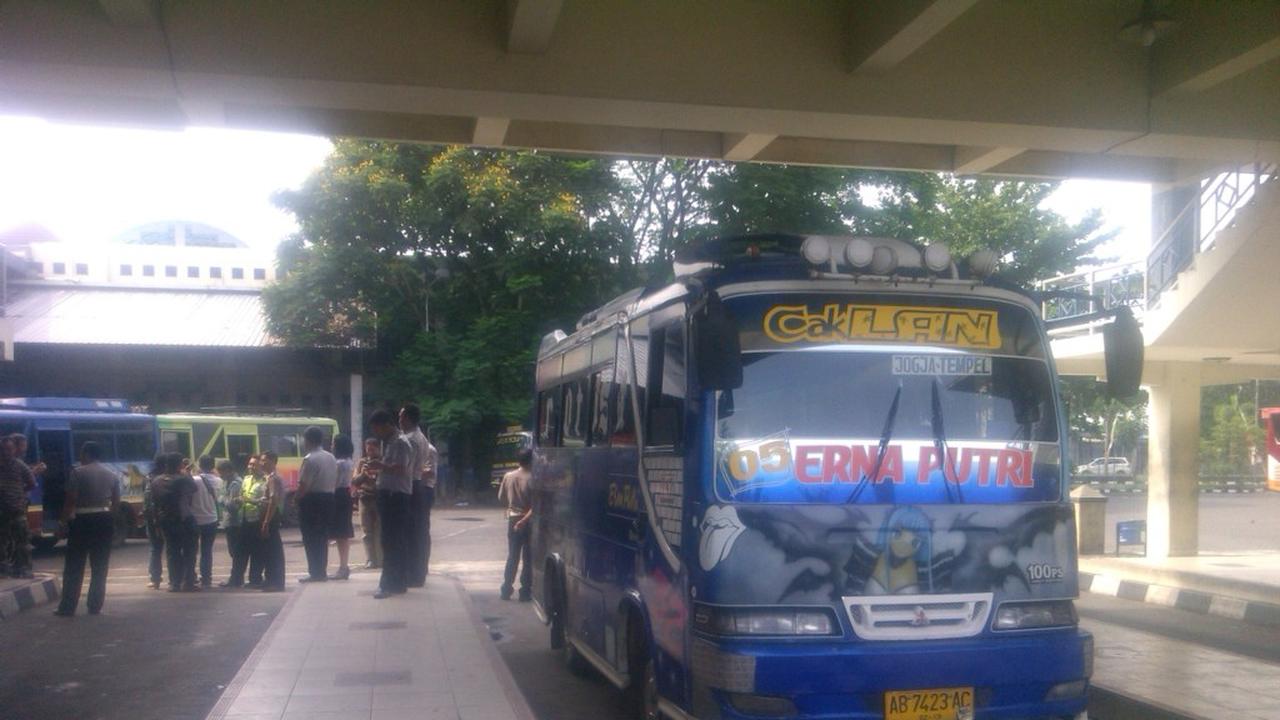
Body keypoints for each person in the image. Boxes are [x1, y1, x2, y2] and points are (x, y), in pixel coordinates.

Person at [53, 441, 120, 616]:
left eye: (82, 453)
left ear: (87, 454)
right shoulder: (112, 474)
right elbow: (116, 502)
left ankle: (68, 607)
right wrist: (111, 521)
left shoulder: (77, 472)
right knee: (100, 566)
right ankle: (95, 605)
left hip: (82, 521)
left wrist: (62, 522)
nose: (80, 457)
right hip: (104, 519)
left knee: (74, 565)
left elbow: (70, 500)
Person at [368, 410, 413, 599]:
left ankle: (388, 584)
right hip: (391, 495)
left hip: (395, 496)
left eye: (377, 429)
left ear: (386, 425)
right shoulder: (390, 442)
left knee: (390, 541)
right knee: (394, 541)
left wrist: (380, 466)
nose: (376, 433)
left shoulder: (400, 443)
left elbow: (401, 469)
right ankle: (398, 582)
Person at [400, 404, 437, 587]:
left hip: (414, 487)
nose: (399, 420)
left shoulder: (411, 440)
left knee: (413, 534)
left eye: (401, 417)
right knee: (418, 533)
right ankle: (417, 573)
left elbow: (409, 469)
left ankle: (414, 573)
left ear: (407, 418)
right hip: (418, 488)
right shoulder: (420, 438)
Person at [151, 453, 198, 592]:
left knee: (172, 551)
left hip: (166, 519)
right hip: (184, 519)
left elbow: (154, 503)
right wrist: (186, 473)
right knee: (190, 551)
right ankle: (188, 581)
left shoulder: (156, 481)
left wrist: (156, 523)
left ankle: (174, 583)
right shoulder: (182, 479)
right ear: (179, 465)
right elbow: (194, 488)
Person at [296, 426, 338, 583]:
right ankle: (321, 571)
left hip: (312, 501)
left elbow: (304, 485)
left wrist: (296, 499)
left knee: (310, 537)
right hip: (329, 498)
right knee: (322, 537)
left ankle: (315, 572)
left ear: (308, 440)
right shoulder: (331, 457)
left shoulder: (309, 459)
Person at [498, 448, 534, 602]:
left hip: (513, 518)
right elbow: (536, 506)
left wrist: (512, 507)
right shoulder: (533, 479)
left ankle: (506, 589)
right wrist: (524, 519)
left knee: (512, 555)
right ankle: (525, 591)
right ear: (532, 461)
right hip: (528, 520)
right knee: (528, 557)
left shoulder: (508, 476)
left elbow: (501, 498)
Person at [0, 436, 36, 579]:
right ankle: (3, 568)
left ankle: (23, 568)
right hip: (1, 511)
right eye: (3, 449)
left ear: (14, 450)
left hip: (17, 509)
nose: (6, 452)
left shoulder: (20, 466)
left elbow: (32, 483)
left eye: (9, 449)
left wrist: (20, 492)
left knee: (22, 541)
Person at [191, 455, 223, 588]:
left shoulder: (194, 480)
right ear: (213, 465)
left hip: (195, 519)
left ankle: (191, 576)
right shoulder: (219, 481)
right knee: (207, 551)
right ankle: (206, 578)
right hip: (212, 519)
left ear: (200, 465)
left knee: (192, 550)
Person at [258, 451, 287, 592]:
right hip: (270, 516)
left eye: (265, 460)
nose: (262, 463)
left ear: (273, 461)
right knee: (269, 550)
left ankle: (275, 581)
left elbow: (273, 500)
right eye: (261, 460)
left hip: (271, 517)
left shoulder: (273, 478)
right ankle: (272, 580)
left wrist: (266, 522)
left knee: (272, 551)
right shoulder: (270, 477)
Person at [329, 434, 356, 580]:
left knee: (340, 534)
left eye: (333, 443)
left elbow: (334, 482)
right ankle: (343, 566)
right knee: (343, 533)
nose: (331, 446)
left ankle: (343, 567)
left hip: (338, 495)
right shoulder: (349, 462)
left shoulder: (338, 463)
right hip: (346, 495)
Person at [353, 438, 382, 569]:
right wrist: (364, 474)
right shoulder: (362, 462)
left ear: (378, 449)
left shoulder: (383, 462)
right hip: (365, 498)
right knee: (366, 530)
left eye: (373, 449)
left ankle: (380, 558)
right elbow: (354, 481)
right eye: (368, 449)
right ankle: (371, 559)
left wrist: (378, 471)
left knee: (379, 529)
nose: (370, 452)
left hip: (379, 498)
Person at [216, 460, 246, 588]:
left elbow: (232, 505)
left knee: (236, 552)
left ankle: (236, 579)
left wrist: (222, 499)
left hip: (235, 523)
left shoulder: (235, 483)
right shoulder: (227, 482)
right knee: (233, 552)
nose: (220, 475)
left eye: (221, 472)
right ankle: (236, 578)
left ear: (228, 470)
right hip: (229, 522)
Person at [142, 454, 166, 589]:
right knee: (174, 548)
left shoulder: (148, 478)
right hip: (167, 516)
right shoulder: (167, 478)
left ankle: (155, 579)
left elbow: (145, 498)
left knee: (155, 548)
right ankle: (177, 578)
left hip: (151, 517)